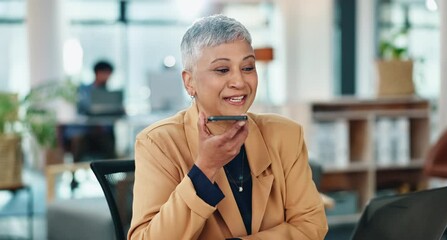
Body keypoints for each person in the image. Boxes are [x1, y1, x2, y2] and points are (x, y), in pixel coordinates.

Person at [128, 15, 328, 239]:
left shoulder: (285, 135)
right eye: (222, 70)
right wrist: (204, 170)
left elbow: (311, 225)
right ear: (189, 82)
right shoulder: (158, 143)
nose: (240, 82)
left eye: (248, 67)